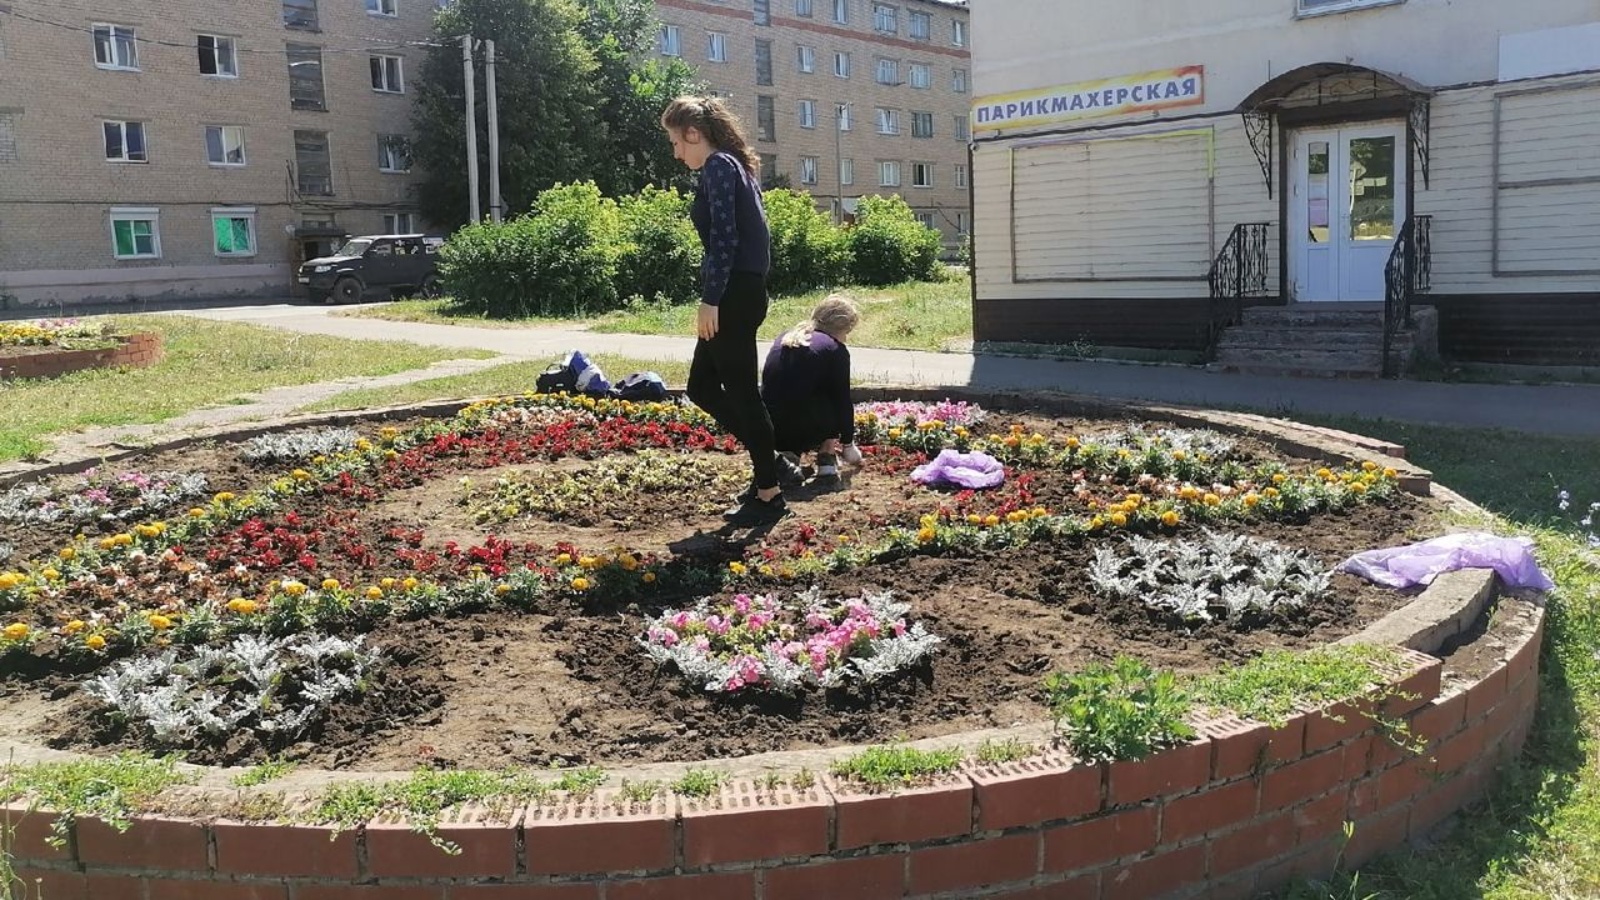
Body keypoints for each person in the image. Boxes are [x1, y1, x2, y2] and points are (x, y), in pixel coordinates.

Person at [661, 95, 790, 525]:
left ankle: (769, 490)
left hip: (731, 293)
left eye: (678, 143)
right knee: (700, 386)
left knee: (741, 392)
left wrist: (710, 299)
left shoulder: (719, 167)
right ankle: (770, 462)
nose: (677, 153)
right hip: (742, 289)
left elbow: (725, 240)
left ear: (695, 134)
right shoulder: (737, 166)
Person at [762, 295, 864, 484]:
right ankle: (827, 456)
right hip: (808, 425)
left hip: (770, 424)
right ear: (843, 328)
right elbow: (842, 400)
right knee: (829, 396)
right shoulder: (835, 349)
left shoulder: (787, 337)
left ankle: (788, 455)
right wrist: (848, 443)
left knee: (797, 394)